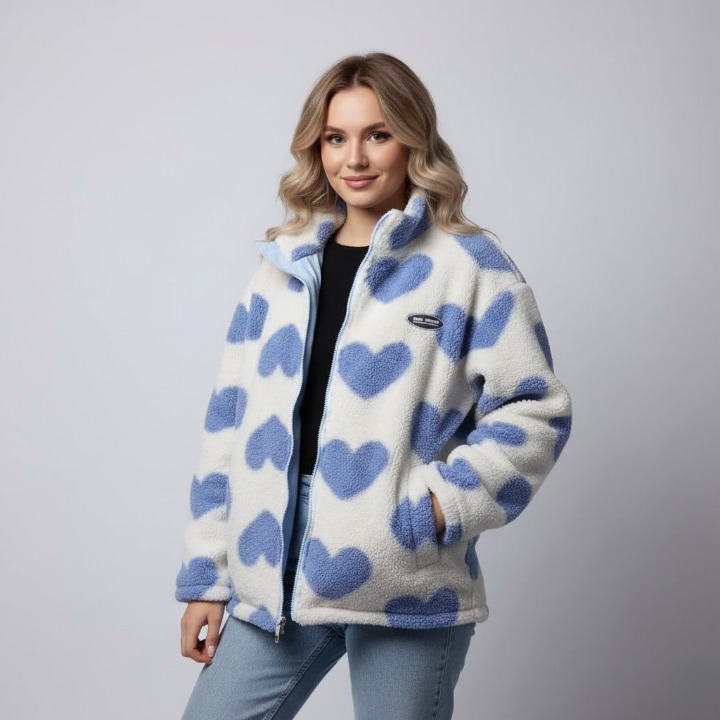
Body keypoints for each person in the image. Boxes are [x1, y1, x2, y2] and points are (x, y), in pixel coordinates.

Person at [175, 52, 572, 720]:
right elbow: (229, 425)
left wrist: (433, 508)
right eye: (336, 138)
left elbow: (536, 409)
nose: (354, 158)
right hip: (275, 566)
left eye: (377, 135)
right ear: (317, 147)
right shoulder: (282, 267)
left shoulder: (467, 265)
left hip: (402, 574)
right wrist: (207, 578)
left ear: (413, 140)